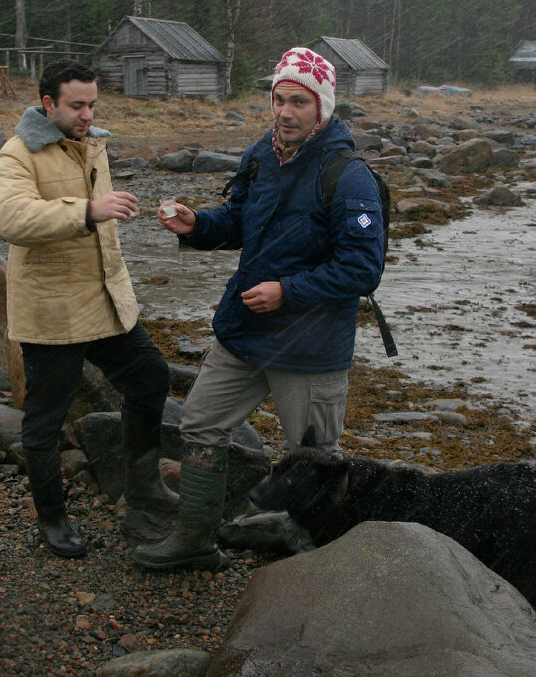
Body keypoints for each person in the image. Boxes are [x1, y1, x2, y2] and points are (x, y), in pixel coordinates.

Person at [132, 47, 386, 571]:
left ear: (323, 108)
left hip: (311, 346)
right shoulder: (261, 155)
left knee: (312, 459)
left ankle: (314, 565)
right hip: (246, 329)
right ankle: (195, 541)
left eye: (299, 101)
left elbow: (363, 270)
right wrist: (198, 225)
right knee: (200, 423)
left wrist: (288, 291)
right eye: (279, 99)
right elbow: (238, 220)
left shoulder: (350, 175)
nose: (286, 111)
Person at [0, 59, 177, 559]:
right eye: (77, 105)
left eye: (92, 103)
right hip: (51, 312)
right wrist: (88, 211)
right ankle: (52, 518)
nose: (87, 113)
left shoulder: (94, 144)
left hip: (105, 302)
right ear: (48, 103)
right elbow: (10, 219)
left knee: (151, 379)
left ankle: (144, 488)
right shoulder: (17, 154)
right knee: (44, 423)